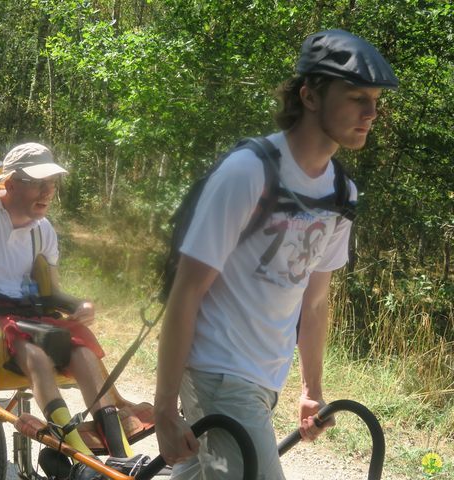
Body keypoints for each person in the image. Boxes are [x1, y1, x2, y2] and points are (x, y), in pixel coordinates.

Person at [154, 29, 399, 479]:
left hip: (264, 379)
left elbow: (315, 300)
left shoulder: (342, 192)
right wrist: (165, 406)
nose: (371, 112)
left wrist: (311, 388)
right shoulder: (249, 172)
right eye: (356, 97)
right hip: (217, 371)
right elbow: (187, 291)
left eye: (376, 100)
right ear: (309, 96)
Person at [0, 143, 137, 478]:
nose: (48, 191)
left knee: (85, 354)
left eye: (52, 183)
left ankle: (120, 458)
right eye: (38, 182)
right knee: (36, 358)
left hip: (28, 315)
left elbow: (53, 292)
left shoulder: (43, 230)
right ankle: (81, 460)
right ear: (12, 183)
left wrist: (80, 305)